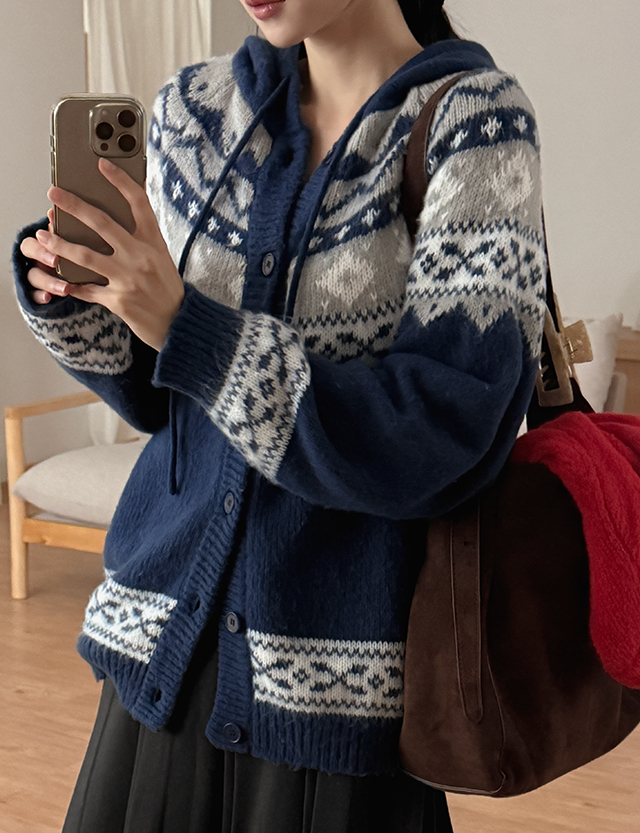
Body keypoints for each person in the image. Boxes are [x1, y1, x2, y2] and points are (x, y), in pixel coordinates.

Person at [13, 0, 547, 830]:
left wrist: (187, 327)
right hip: (160, 661)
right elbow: (166, 402)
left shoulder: (475, 124)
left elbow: (445, 433)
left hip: (338, 696)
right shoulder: (193, 114)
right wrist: (83, 302)